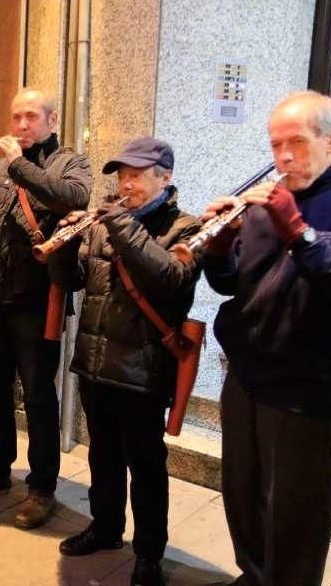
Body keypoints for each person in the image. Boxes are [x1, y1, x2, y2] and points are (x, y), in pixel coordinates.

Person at [201, 90, 331, 586]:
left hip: (306, 384)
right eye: (275, 144)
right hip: (247, 374)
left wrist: (297, 229)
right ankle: (255, 575)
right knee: (242, 491)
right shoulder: (267, 198)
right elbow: (233, 285)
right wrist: (217, 250)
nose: (282, 157)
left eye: (296, 143)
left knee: (296, 511)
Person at [53, 138, 202, 586]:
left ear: (165, 177)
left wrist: (121, 224)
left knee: (146, 464)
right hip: (96, 362)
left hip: (143, 368)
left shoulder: (186, 227)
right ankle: (105, 527)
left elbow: (172, 280)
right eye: (121, 174)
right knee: (103, 455)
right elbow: (74, 281)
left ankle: (149, 552)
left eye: (136, 174)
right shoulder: (103, 225)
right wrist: (61, 249)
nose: (126, 183)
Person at [0, 88, 90, 529]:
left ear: (51, 119)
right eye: (16, 117)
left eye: (31, 117)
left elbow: (71, 199)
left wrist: (17, 165)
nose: (22, 125)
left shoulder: (70, 162)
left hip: (36, 302)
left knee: (39, 397)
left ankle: (42, 487)